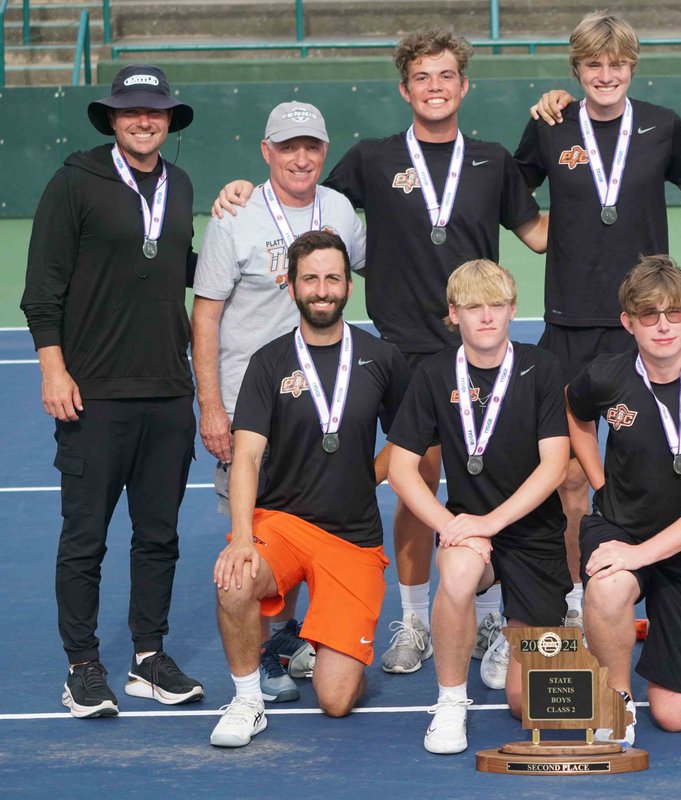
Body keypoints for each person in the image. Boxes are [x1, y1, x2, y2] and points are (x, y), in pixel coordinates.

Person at [213, 30, 548, 680]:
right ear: (405, 88)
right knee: (413, 482)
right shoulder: (370, 159)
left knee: (498, 487)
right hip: (406, 358)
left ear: (463, 84)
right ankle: (417, 618)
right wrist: (242, 192)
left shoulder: (491, 160)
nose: (434, 86)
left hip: (483, 356)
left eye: (445, 75)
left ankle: (497, 622)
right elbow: (303, 196)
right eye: (422, 77)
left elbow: (537, 236)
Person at [514, 11, 681, 629]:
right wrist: (544, 238)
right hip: (570, 323)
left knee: (653, 462)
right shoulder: (550, 125)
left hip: (645, 324)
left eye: (617, 63)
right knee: (571, 476)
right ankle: (579, 595)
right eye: (593, 64)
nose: (606, 74)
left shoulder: (663, 127)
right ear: (576, 70)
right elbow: (508, 192)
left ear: (632, 66)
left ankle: (655, 588)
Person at [22, 64, 204, 718]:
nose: (144, 119)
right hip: (93, 394)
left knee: (159, 536)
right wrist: (53, 368)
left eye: (155, 110)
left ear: (168, 119)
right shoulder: (74, 183)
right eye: (131, 110)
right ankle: (82, 666)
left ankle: (148, 657)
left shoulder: (180, 186)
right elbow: (41, 289)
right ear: (112, 118)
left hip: (167, 394)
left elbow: (185, 266)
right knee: (86, 538)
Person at [209, 230, 411, 748]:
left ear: (348, 285)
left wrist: (366, 476)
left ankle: (327, 646)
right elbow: (247, 455)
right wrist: (240, 537)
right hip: (284, 525)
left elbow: (413, 441)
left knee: (336, 701)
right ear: (293, 285)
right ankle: (248, 698)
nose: (322, 289)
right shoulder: (269, 361)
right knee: (235, 579)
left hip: (352, 539)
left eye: (332, 278)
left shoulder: (381, 358)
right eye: (311, 279)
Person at [193, 101, 366, 702]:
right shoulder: (234, 215)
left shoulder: (341, 209)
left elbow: (361, 273)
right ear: (266, 151)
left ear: (324, 151)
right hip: (251, 400)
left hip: (322, 403)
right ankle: (265, 645)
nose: (300, 157)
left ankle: (293, 633)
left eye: (311, 146)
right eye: (287, 146)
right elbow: (206, 313)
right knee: (259, 523)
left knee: (307, 517)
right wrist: (212, 405)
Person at [566, 255, 681, 743]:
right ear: (628, 322)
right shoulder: (605, 377)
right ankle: (618, 697)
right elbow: (575, 409)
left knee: (674, 716)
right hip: (621, 527)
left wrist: (640, 555)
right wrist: (599, 481)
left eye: (674, 313)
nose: (663, 326)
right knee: (606, 588)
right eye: (649, 315)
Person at [388, 259, 570, 754]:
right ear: (454, 314)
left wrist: (493, 521)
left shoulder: (542, 366)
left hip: (533, 535)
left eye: (496, 305)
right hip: (470, 530)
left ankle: (507, 638)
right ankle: (450, 703)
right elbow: (401, 470)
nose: (485, 317)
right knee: (461, 573)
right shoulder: (432, 373)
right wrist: (453, 527)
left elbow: (555, 465)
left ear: (513, 310)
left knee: (530, 705)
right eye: (473, 307)